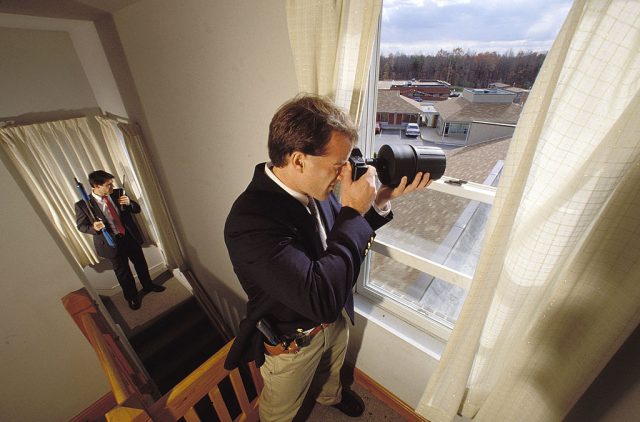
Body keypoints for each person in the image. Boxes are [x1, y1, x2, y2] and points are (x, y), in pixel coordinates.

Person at [223, 94, 431, 421]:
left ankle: (330, 397)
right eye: (338, 166)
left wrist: (376, 203)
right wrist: (351, 211)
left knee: (332, 372)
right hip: (293, 343)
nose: (344, 175)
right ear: (299, 160)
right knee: (280, 412)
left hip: (334, 322)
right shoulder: (249, 222)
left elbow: (336, 241)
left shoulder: (315, 187)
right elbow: (318, 298)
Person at [75, 170, 165, 310]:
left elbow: (136, 209)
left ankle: (148, 285)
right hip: (111, 242)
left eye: (112, 184)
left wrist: (129, 203)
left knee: (140, 263)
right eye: (108, 185)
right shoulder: (83, 205)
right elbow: (81, 226)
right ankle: (132, 297)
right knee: (123, 273)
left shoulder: (118, 193)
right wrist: (94, 227)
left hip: (129, 237)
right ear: (96, 187)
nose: (112, 187)